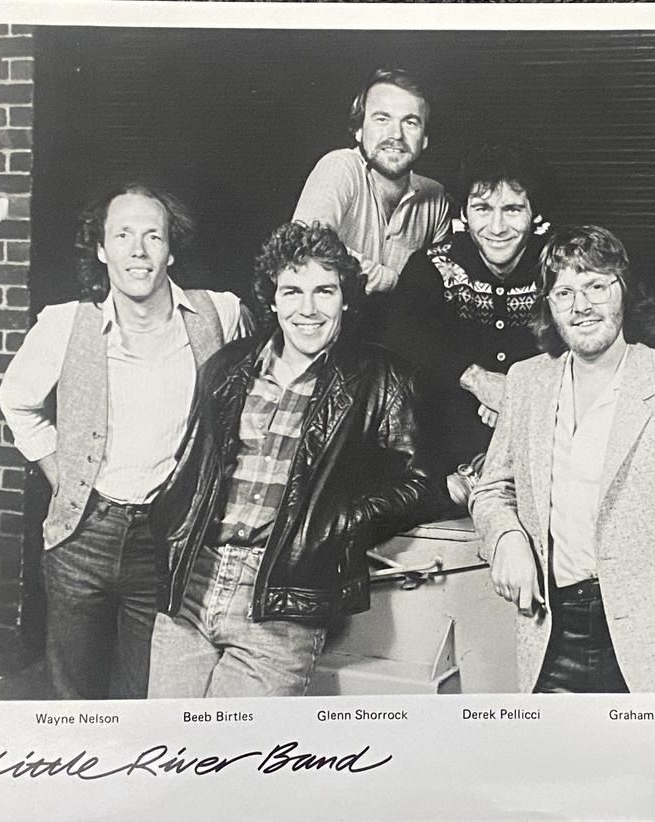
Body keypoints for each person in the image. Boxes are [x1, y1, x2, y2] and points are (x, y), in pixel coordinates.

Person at [147, 221, 437, 698]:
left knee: (240, 743)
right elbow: (191, 465)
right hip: (191, 586)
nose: (308, 309)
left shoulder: (381, 377)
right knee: (166, 739)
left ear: (346, 299)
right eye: (292, 291)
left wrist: (339, 523)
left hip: (283, 601)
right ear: (273, 299)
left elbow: (418, 481)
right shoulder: (227, 366)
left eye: (325, 291)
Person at [470, 225, 655, 694]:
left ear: (624, 290)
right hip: (550, 641)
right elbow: (494, 488)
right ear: (549, 305)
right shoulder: (526, 382)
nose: (581, 306)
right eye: (564, 292)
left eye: (596, 286)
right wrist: (506, 538)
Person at [0, 182, 246, 699]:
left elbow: (249, 400)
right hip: (83, 535)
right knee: (74, 698)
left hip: (169, 538)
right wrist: (63, 475)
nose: (138, 250)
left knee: (147, 695)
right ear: (101, 249)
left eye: (153, 236)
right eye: (123, 235)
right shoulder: (65, 324)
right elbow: (16, 401)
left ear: (170, 250)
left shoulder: (220, 314)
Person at [380, 144, 552, 490]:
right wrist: (477, 379)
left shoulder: (557, 267)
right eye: (483, 209)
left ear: (535, 215)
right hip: (447, 467)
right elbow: (399, 336)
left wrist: (515, 395)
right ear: (464, 214)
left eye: (513, 209)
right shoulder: (431, 266)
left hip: (543, 453)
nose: (497, 227)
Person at [292, 67, 450, 295]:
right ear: (358, 130)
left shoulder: (436, 197)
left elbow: (443, 283)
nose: (396, 135)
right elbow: (305, 248)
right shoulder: (340, 167)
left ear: (424, 139)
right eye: (382, 119)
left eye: (410, 122)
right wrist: (395, 282)